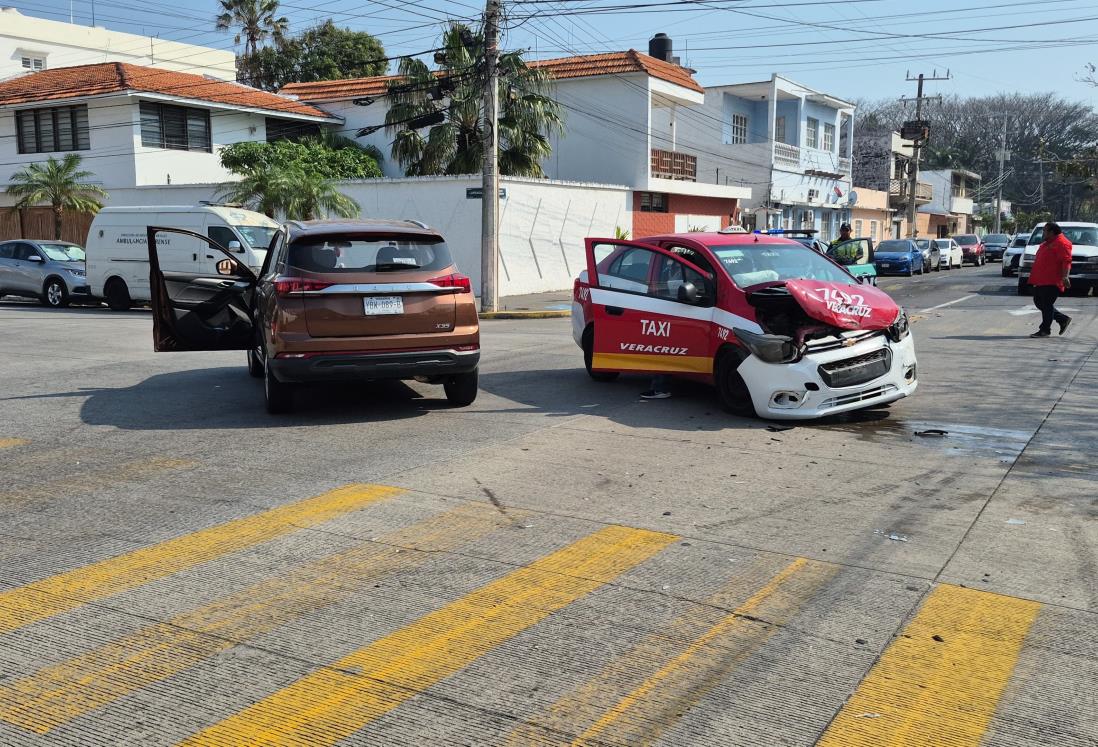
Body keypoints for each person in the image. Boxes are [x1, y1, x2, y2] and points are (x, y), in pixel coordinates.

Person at [1028, 222, 1073, 338]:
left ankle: (1045, 330)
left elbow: (1066, 261)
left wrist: (1065, 276)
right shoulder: (1047, 243)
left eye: (1044, 231)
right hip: (1042, 279)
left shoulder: (1062, 243)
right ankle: (1062, 319)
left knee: (1047, 304)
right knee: (1039, 302)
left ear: (1051, 232)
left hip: (1052, 280)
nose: (1043, 233)